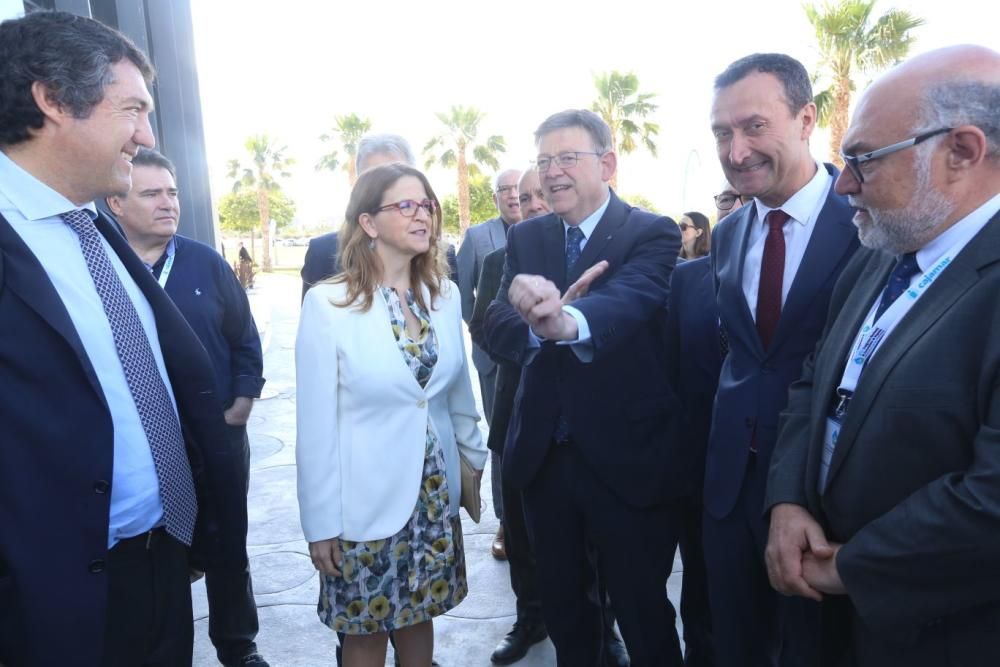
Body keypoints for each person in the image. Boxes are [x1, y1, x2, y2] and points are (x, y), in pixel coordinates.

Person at [0, 11, 245, 665]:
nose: (146, 135)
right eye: (132, 109)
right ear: (52, 99)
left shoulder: (94, 225)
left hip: (161, 567)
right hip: (48, 610)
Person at [766, 44, 1000, 666]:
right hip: (832, 621)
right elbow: (815, 382)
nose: (842, 183)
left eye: (862, 160)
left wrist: (851, 567)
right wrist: (787, 500)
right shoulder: (880, 251)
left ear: (962, 151)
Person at [483, 109, 685, 667]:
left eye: (567, 157)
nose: (552, 172)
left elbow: (634, 298)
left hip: (627, 458)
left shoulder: (651, 231)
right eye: (544, 160)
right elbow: (494, 317)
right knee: (568, 611)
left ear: (608, 163)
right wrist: (532, 327)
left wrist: (566, 322)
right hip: (546, 459)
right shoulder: (527, 237)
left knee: (644, 610)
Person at [296, 163, 488, 667]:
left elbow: (456, 392)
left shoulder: (442, 298)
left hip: (431, 498)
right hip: (364, 505)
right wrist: (319, 523)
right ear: (368, 223)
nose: (421, 214)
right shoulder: (328, 306)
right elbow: (314, 429)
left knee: (420, 618)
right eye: (405, 205)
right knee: (365, 633)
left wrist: (471, 459)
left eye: (427, 204)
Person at [704, 52, 860, 667]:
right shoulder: (727, 234)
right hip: (727, 490)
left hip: (825, 500)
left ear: (806, 118)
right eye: (722, 133)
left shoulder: (869, 226)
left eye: (753, 126)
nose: (736, 151)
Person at [107, 148, 269, 667]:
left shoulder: (207, 263)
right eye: (151, 193)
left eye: (172, 192)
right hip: (147, 447)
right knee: (161, 552)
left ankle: (238, 646)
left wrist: (241, 404)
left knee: (228, 544)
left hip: (218, 436)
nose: (167, 204)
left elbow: (244, 339)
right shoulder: (105, 269)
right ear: (116, 201)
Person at [470, 167, 628, 666]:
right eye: (523, 196)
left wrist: (569, 323)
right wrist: (538, 332)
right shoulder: (502, 259)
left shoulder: (602, 250)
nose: (535, 203)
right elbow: (484, 325)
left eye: (541, 193)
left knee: (595, 544)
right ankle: (529, 618)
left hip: (592, 424)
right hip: (521, 415)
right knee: (522, 533)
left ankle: (606, 629)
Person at [301, 134, 457, 301]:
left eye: (397, 173)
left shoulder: (444, 259)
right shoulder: (323, 254)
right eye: (373, 177)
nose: (385, 184)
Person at [456, 167, 523, 560]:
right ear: (495, 197)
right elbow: (463, 296)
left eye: (521, 189)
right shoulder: (478, 238)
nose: (514, 196)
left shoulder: (551, 229)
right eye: (506, 190)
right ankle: (505, 521)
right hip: (493, 359)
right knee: (502, 439)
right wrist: (486, 337)